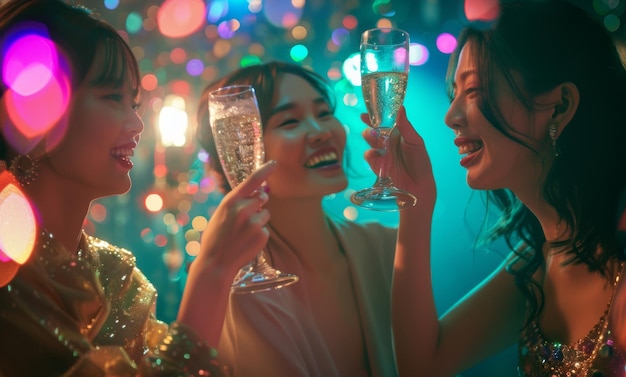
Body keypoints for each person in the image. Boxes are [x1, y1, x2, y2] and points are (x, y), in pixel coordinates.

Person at [0, 0, 274, 375]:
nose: (136, 125)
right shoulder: (8, 272)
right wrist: (212, 270)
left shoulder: (115, 275)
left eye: (134, 104)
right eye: (113, 98)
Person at [359, 0, 626, 376]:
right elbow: (421, 365)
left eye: (474, 90)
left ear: (560, 105)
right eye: (454, 94)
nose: (450, 117)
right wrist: (414, 204)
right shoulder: (539, 264)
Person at [196, 61, 398, 377]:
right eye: (290, 121)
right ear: (241, 150)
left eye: (323, 113)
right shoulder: (242, 288)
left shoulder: (386, 248)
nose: (320, 132)